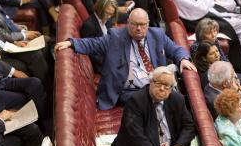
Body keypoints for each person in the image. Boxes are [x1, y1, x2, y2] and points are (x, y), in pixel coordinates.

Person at [55, 8, 196, 110]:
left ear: (148, 24)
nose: (139, 28)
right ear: (128, 23)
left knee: (182, 101)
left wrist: (183, 59)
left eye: (142, 25)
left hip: (156, 83)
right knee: (153, 99)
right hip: (128, 91)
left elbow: (176, 49)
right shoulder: (115, 37)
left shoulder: (157, 35)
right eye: (135, 24)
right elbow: (93, 44)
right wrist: (71, 43)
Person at [109, 66, 195, 146]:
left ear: (171, 89)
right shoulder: (136, 101)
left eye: (167, 86)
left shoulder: (177, 99)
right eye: (158, 83)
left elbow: (189, 126)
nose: (162, 88)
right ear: (150, 82)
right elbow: (136, 137)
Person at [205, 61, 241, 126]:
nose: (236, 80)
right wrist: (238, 91)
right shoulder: (220, 101)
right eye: (233, 77)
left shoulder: (211, 85)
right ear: (225, 83)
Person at [80, 0, 118, 73]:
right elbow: (90, 50)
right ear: (99, 8)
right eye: (107, 13)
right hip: (102, 64)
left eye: (111, 14)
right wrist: (110, 61)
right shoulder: (89, 25)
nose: (109, 17)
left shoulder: (108, 19)